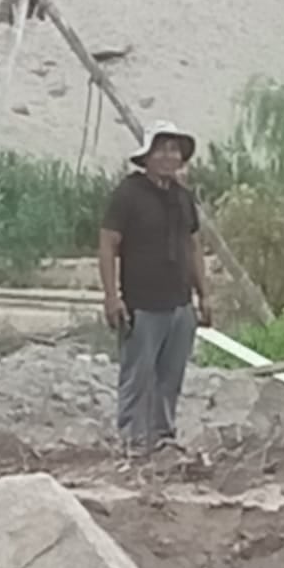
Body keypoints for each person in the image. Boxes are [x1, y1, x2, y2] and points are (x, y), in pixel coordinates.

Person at [97, 120, 213, 454]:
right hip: (142, 303)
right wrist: (111, 297)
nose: (168, 156)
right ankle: (133, 442)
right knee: (137, 375)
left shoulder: (182, 198)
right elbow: (108, 244)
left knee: (170, 377)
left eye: (174, 149)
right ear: (146, 156)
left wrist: (203, 294)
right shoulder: (128, 194)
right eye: (161, 149)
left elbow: (193, 246)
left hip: (179, 303)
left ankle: (163, 439)